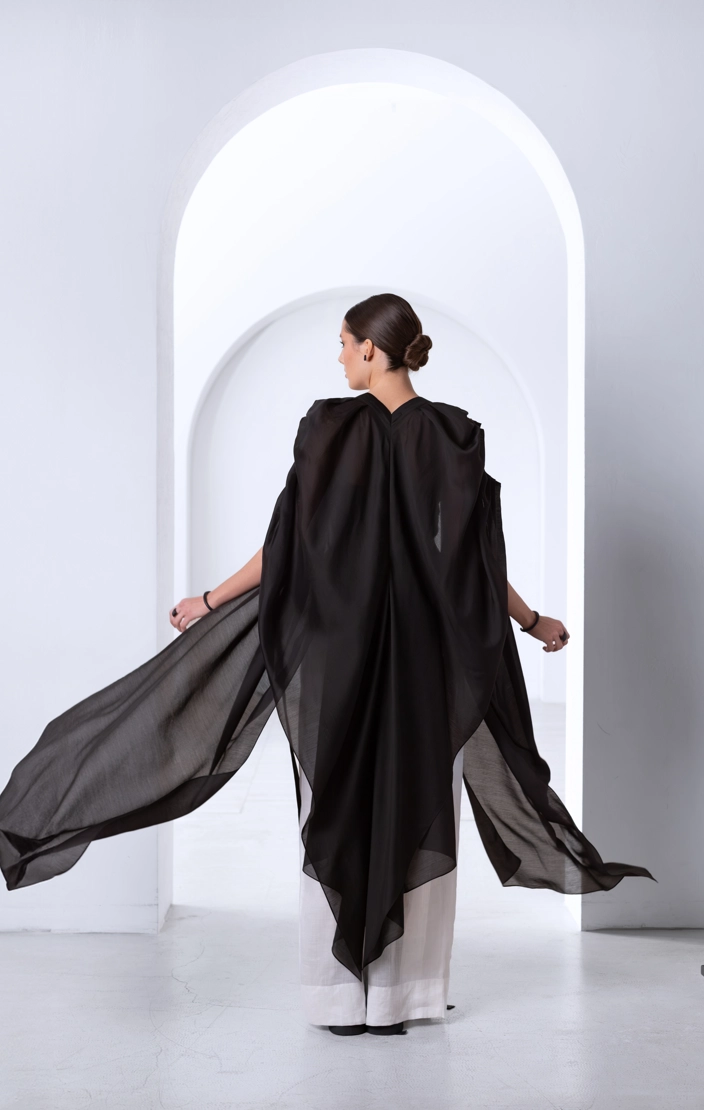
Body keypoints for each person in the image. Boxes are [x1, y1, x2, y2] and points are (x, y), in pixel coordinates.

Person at [0, 293, 654, 1038]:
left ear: (372, 349)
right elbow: (474, 563)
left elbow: (287, 545)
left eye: (344, 343)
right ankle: (407, 996)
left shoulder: (329, 428)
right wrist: (533, 622)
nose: (340, 357)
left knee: (337, 807)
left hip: (340, 660)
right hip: (427, 666)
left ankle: (339, 998)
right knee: (417, 808)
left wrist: (210, 600)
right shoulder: (454, 435)